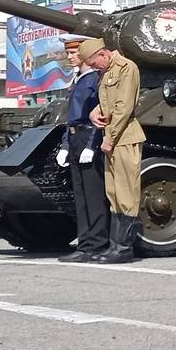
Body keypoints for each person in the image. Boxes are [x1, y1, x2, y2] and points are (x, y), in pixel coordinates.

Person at [84, 38, 143, 264]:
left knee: (127, 193)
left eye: (93, 63)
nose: (93, 68)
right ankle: (115, 245)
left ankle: (123, 249)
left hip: (125, 138)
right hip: (113, 139)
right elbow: (109, 102)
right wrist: (94, 112)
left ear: (102, 54)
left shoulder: (127, 67)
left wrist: (109, 139)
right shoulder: (107, 71)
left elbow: (124, 106)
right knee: (114, 193)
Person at [56, 39, 108, 262]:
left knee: (93, 195)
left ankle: (96, 243)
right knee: (81, 195)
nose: (70, 56)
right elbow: (72, 119)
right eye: (68, 52)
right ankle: (85, 241)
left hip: (89, 137)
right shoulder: (78, 80)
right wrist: (67, 145)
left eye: (74, 52)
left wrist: (92, 145)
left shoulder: (95, 80)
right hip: (77, 137)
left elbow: (101, 114)